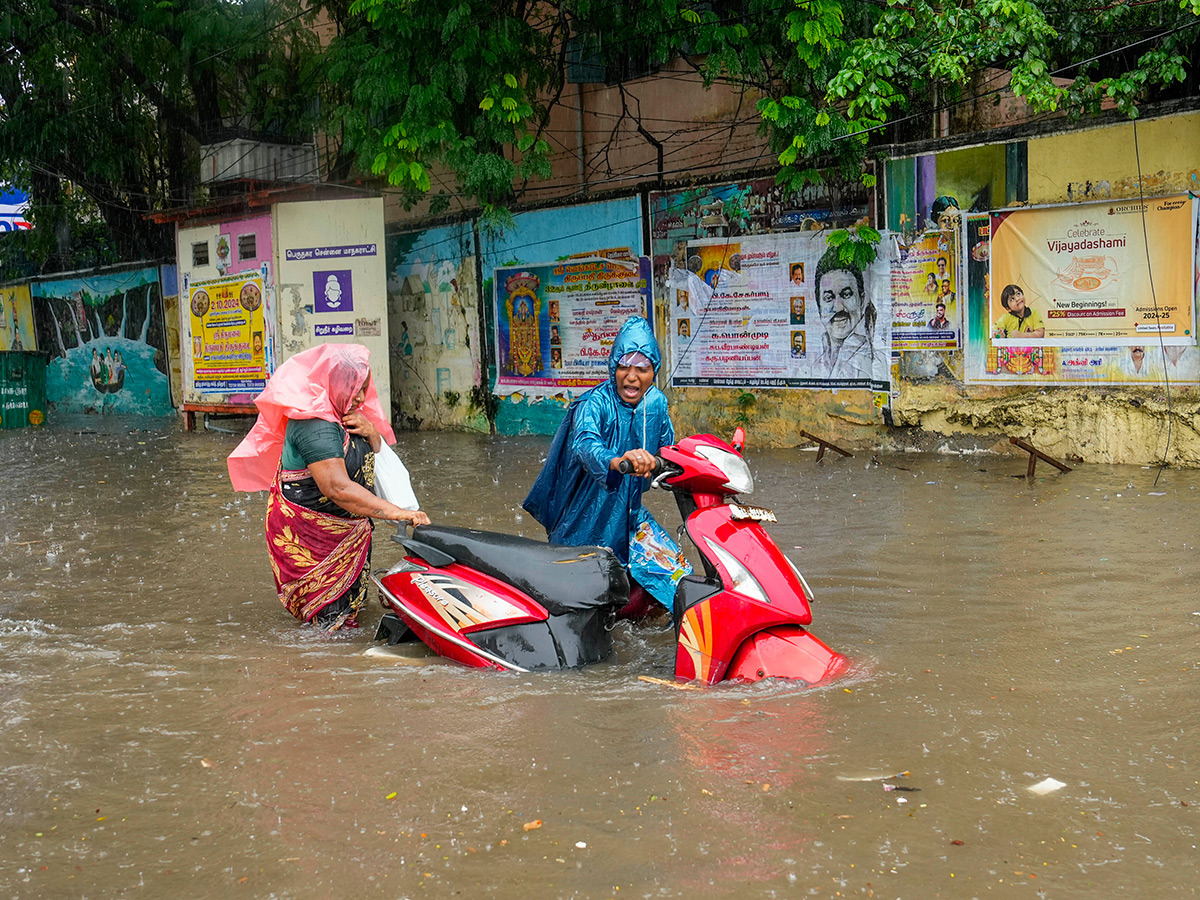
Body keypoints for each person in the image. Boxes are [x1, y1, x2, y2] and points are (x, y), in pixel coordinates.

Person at [227, 343, 430, 631]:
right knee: (330, 627)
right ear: (334, 385)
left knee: (349, 614)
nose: (361, 398)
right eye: (355, 389)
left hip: (348, 532)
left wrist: (372, 432)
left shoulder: (343, 415)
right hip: (315, 540)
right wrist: (396, 512)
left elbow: (373, 458)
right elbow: (337, 487)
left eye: (365, 389)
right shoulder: (315, 425)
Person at [523, 316, 692, 618]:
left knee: (680, 582)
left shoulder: (655, 403)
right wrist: (615, 461)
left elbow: (669, 451)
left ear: (654, 371)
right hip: (586, 518)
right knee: (578, 603)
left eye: (642, 368)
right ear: (613, 366)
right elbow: (586, 446)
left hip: (631, 517)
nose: (631, 377)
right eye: (624, 366)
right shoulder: (594, 403)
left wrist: (660, 462)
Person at [813, 249, 876, 380]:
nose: (838, 307)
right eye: (828, 298)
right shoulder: (815, 368)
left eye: (846, 295)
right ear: (819, 305)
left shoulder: (872, 360)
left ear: (862, 300)